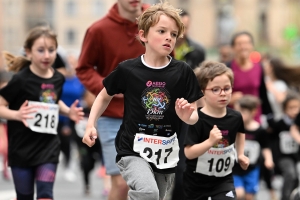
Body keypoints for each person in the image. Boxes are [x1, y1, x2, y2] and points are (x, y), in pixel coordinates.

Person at [82, 2, 203, 200]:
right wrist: (90, 125)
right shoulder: (128, 70)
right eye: (162, 31)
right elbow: (104, 95)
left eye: (173, 34)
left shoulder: (183, 72)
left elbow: (194, 116)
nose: (168, 38)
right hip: (132, 150)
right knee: (148, 193)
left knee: (155, 196)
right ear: (143, 35)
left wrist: (187, 116)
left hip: (166, 153)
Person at [75, 1, 149, 199]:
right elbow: (83, 68)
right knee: (122, 183)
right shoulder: (98, 30)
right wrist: (108, 86)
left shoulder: (156, 20)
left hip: (151, 116)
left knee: (150, 185)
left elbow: (170, 60)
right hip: (113, 116)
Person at [0, 26, 84, 200]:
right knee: (25, 196)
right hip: (21, 150)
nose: (47, 55)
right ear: (28, 52)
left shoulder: (58, 78)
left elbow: (53, 101)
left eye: (51, 50)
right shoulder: (21, 80)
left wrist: (69, 112)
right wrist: (17, 115)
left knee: (45, 195)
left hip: (48, 149)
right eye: (41, 50)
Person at [183, 61, 249, 200]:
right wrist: (210, 142)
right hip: (196, 183)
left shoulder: (236, 117)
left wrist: (241, 154)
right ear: (202, 92)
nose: (223, 94)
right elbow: (188, 153)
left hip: (224, 180)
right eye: (215, 89)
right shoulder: (196, 119)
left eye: (227, 88)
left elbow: (240, 132)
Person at [171, 8, 205, 200]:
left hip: (188, 112)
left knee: (183, 166)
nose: (183, 32)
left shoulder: (197, 50)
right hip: (163, 112)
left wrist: (202, 115)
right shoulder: (163, 47)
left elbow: (200, 84)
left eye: (187, 27)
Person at [233, 95, 274, 200]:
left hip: (252, 168)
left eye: (243, 111)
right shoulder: (234, 128)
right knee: (238, 193)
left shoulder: (260, 130)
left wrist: (268, 160)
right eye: (237, 111)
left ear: (253, 112)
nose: (239, 115)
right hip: (235, 168)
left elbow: (266, 147)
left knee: (249, 196)